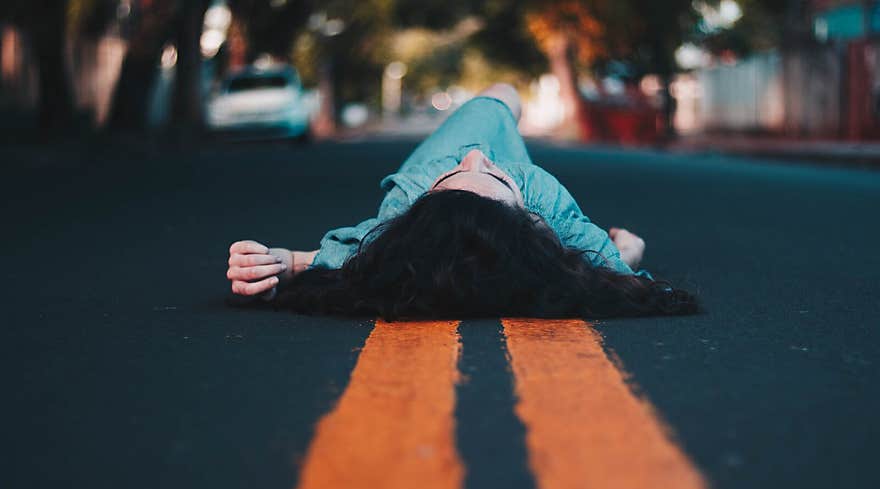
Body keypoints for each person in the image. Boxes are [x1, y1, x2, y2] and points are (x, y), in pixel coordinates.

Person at [226, 83, 698, 319]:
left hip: (435, 170)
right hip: (508, 204)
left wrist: (275, 265)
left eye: (462, 173)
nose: (477, 156)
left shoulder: (410, 199)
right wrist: (627, 257)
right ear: (531, 225)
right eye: (485, 171)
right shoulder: (542, 198)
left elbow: (348, 257)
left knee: (500, 97)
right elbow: (618, 277)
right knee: (508, 96)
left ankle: (479, 148)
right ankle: (487, 165)